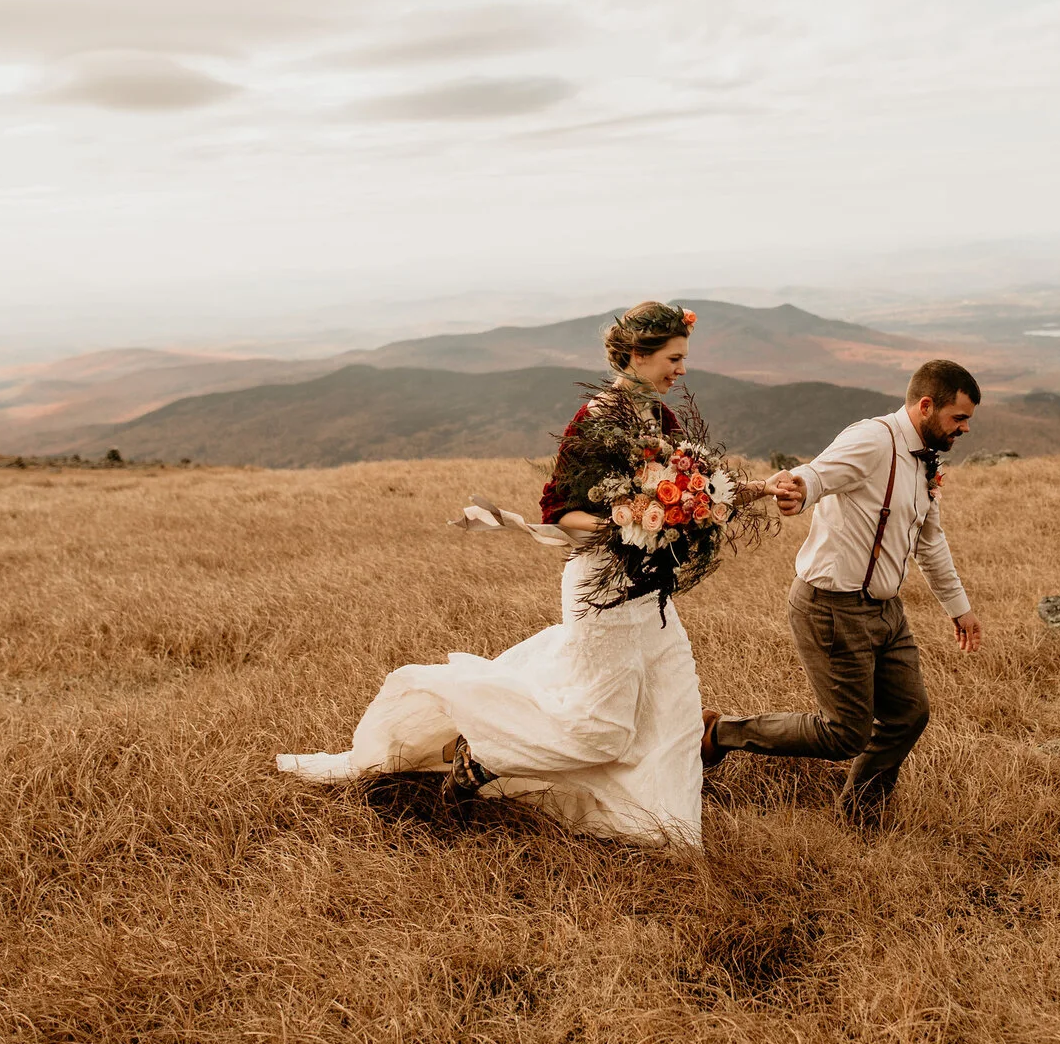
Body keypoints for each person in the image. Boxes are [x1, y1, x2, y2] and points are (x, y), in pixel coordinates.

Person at [276, 301, 720, 846]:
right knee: (601, 728)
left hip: (649, 591)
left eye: (683, 358)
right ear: (637, 354)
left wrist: (706, 508)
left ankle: (663, 829)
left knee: (673, 707)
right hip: (601, 588)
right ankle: (483, 753)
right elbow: (559, 514)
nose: (682, 370)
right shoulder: (597, 421)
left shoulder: (662, 419)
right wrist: (631, 523)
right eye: (674, 358)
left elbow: (690, 491)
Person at [702, 360, 986, 823]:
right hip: (831, 607)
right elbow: (818, 473)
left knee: (909, 716)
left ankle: (859, 815)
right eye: (959, 418)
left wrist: (960, 608)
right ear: (926, 406)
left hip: (887, 611)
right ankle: (720, 732)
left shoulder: (925, 460)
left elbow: (929, 541)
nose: (966, 428)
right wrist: (799, 490)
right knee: (844, 734)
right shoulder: (873, 439)